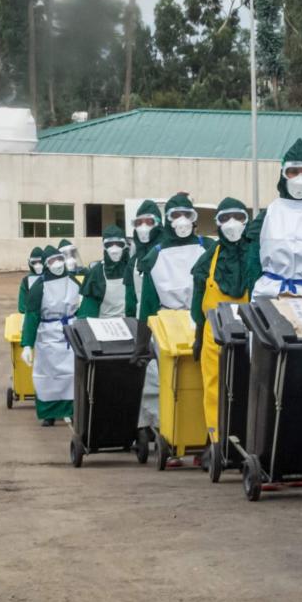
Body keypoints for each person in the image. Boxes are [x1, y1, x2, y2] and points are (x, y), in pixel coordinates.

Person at [133, 193, 213, 466]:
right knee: (169, 385)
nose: (181, 222)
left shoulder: (208, 248)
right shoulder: (156, 256)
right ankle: (173, 436)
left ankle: (204, 439)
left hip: (202, 320)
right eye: (175, 216)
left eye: (186, 216)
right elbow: (147, 304)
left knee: (206, 382)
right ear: (166, 221)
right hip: (167, 325)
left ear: (194, 219)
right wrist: (141, 343)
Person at [190, 198, 252, 449]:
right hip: (214, 333)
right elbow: (197, 303)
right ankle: (217, 442)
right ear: (216, 223)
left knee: (250, 386)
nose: (232, 224)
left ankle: (252, 440)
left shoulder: (254, 255)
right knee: (215, 386)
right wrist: (196, 336)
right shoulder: (208, 260)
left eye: (238, 217)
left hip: (251, 331)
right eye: (225, 218)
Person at [246, 139, 302, 299]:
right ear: (283, 174)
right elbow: (251, 259)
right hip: (269, 295)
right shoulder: (269, 213)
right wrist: (253, 286)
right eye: (293, 171)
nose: (300, 178)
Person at [19, 245, 80, 425]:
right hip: (48, 333)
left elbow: (83, 305)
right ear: (47, 264)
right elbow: (32, 315)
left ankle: (72, 410)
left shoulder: (73, 281)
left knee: (72, 374)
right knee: (47, 376)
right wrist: (27, 344)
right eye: (53, 261)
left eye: (60, 259)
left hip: (70, 331)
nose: (58, 264)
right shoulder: (39, 286)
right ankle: (48, 414)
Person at [125, 200, 163, 435]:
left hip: (164, 322)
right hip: (141, 325)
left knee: (162, 377)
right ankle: (146, 426)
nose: (144, 226)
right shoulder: (134, 260)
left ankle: (164, 425)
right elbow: (131, 298)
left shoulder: (163, 252)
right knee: (145, 378)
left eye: (149, 221)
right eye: (139, 222)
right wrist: (131, 328)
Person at [76, 226, 131, 319]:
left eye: (119, 243)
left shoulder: (132, 268)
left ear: (125, 244)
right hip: (104, 326)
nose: (114, 248)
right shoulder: (96, 273)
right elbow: (88, 310)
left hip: (131, 324)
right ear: (104, 246)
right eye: (109, 244)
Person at [18, 247, 44, 313]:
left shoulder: (25, 281)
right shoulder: (26, 281)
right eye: (35, 262)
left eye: (40, 262)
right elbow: (21, 307)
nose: (38, 265)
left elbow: (21, 307)